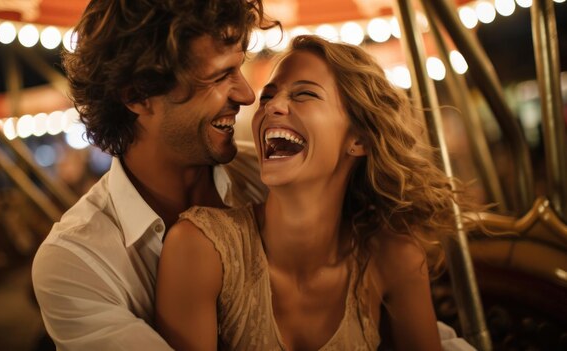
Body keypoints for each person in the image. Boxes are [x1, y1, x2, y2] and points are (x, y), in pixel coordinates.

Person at [156, 35, 477, 350]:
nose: (272, 107)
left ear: (359, 140)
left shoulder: (392, 259)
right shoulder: (200, 249)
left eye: (304, 94)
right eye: (268, 96)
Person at [31, 0, 277, 349]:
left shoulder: (272, 176)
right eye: (221, 75)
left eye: (239, 69)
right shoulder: (76, 261)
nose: (247, 95)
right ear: (138, 95)